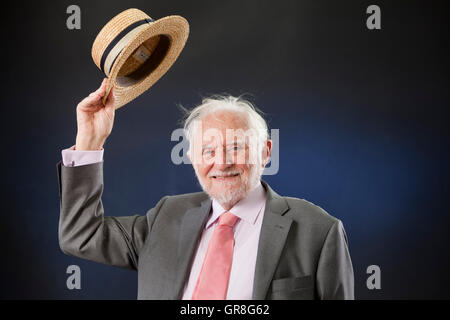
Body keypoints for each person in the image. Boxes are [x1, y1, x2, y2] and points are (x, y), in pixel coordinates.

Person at [57, 79, 354, 300]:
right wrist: (89, 142)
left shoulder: (318, 231)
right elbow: (80, 235)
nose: (222, 163)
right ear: (191, 157)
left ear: (265, 152)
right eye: (208, 150)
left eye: (236, 147)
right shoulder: (165, 218)